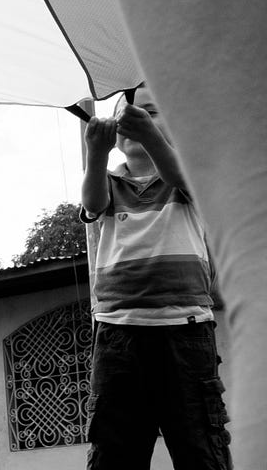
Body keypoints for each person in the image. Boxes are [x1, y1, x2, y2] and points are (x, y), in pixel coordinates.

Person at [80, 91, 231, 469]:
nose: (134, 119)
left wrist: (151, 137)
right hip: (118, 334)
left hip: (186, 330)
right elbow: (93, 203)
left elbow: (185, 177)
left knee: (200, 447)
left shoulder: (185, 174)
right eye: (123, 117)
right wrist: (96, 153)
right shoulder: (111, 182)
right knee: (115, 452)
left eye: (147, 112)